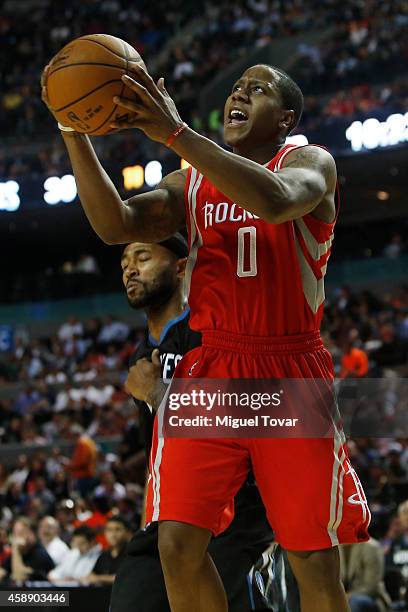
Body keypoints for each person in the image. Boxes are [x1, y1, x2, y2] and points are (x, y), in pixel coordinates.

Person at [41, 59, 370, 612]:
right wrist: (72, 128)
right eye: (236, 86)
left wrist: (174, 131)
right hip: (211, 367)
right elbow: (115, 224)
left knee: (310, 556)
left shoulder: (310, 161)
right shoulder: (189, 181)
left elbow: (274, 201)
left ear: (286, 117)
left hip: (287, 371)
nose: (239, 92)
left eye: (257, 89)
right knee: (176, 543)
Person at [111, 235, 287, 611]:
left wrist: (157, 394)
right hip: (167, 515)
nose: (130, 268)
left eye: (142, 256)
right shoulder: (141, 356)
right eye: (125, 261)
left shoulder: (214, 334)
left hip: (233, 515)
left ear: (180, 268)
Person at [340, 539, 391, 612]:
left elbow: (371, 587)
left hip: (371, 597)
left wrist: (347, 596)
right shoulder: (335, 548)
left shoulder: (371, 547)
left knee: (354, 602)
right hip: (344, 597)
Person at [1, 517, 54, 583]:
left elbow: (19, 577)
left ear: (31, 534)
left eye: (20, 533)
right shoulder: (21, 552)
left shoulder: (40, 554)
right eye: (15, 533)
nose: (16, 537)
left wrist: (15, 549)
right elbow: (2, 572)